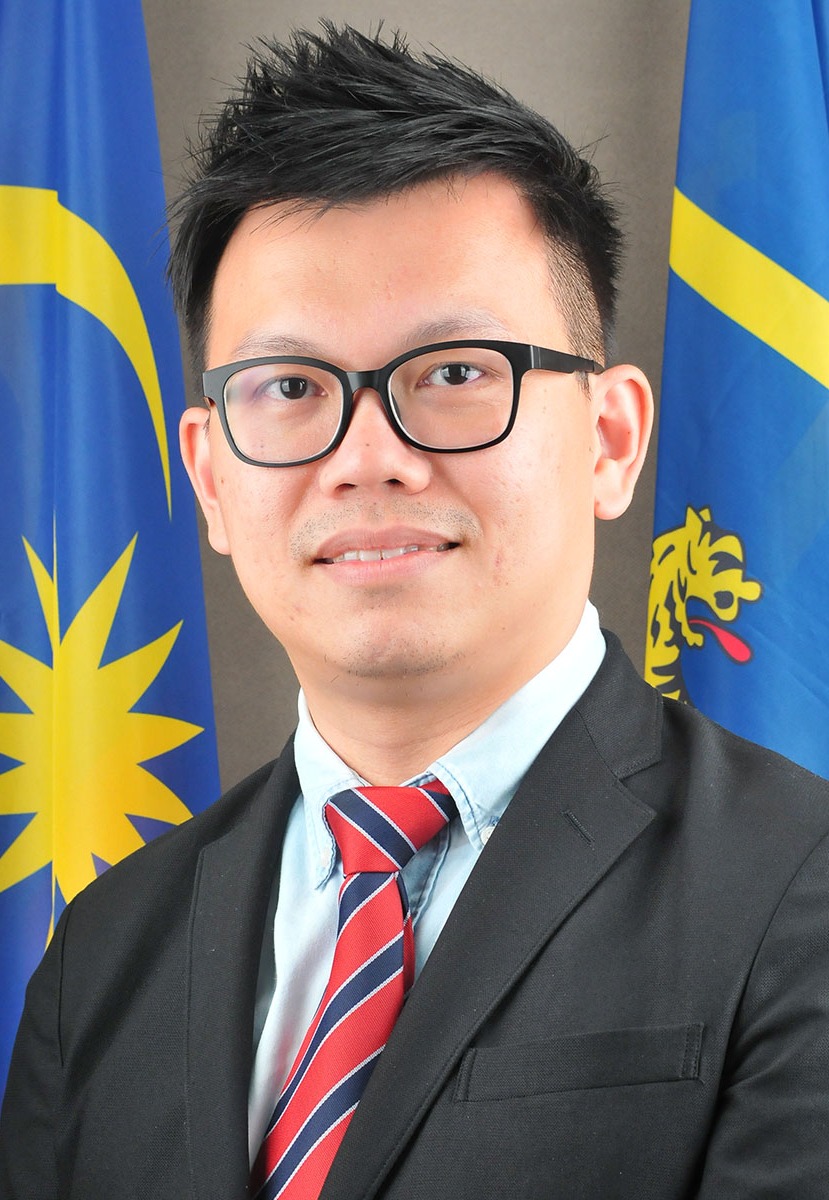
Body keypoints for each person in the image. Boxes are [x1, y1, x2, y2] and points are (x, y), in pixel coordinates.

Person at [2, 23, 829, 1200]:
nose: (366, 457)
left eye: (452, 373)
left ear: (609, 439)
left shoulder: (799, 890)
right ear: (211, 479)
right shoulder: (99, 953)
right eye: (290, 387)